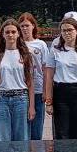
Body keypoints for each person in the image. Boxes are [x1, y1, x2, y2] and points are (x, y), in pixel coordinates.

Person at [44, 17, 77, 140]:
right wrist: (49, 101)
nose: (67, 33)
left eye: (70, 30)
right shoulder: (55, 51)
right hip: (61, 93)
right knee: (61, 131)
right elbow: (49, 77)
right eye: (64, 31)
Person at [0, 19, 35, 141]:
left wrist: (31, 106)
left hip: (21, 99)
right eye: (7, 32)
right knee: (2, 139)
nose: (10, 35)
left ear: (18, 34)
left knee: (21, 138)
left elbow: (30, 83)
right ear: (3, 35)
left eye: (13, 32)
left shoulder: (26, 56)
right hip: (0, 99)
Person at [18, 12, 49, 140]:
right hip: (21, 89)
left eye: (27, 25)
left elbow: (46, 68)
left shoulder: (40, 44)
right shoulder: (17, 44)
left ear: (33, 26)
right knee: (23, 127)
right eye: (22, 26)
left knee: (36, 126)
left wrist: (46, 90)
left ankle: (37, 149)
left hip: (37, 89)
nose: (25, 28)